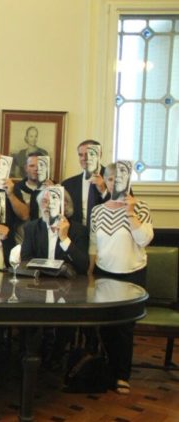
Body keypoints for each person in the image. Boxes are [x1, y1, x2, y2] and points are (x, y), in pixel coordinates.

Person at [89, 163, 154, 395]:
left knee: (125, 327)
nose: (114, 182)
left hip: (132, 273)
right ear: (104, 181)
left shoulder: (141, 207)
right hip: (104, 273)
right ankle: (107, 370)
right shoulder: (97, 211)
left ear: (128, 180)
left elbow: (145, 239)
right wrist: (89, 272)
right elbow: (94, 244)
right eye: (110, 178)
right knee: (106, 326)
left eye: (120, 178)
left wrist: (130, 213)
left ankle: (122, 375)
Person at [21, 189, 89, 275]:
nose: (47, 206)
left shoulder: (79, 230)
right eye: (44, 201)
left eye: (53, 202)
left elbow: (83, 266)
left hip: (68, 282)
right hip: (40, 279)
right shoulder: (31, 228)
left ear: (64, 205)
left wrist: (64, 239)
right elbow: (25, 260)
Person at [62, 139, 108, 228]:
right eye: (80, 155)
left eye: (87, 154)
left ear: (99, 155)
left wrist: (104, 191)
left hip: (106, 233)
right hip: (78, 234)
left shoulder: (115, 178)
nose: (83, 158)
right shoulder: (68, 184)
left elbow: (124, 208)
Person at [13, 152, 50, 226]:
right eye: (32, 166)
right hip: (22, 232)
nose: (36, 169)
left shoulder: (54, 188)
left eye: (40, 165)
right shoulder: (15, 189)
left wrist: (53, 190)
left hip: (46, 231)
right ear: (26, 168)